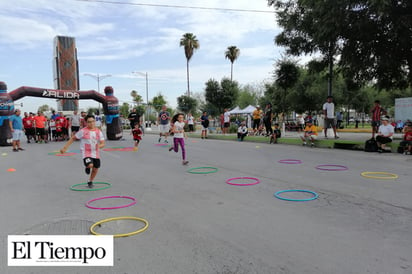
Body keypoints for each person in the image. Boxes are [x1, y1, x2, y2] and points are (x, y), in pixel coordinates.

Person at [60, 114, 105, 188]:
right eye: (89, 122)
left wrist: (99, 146)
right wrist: (65, 148)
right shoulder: (83, 131)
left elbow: (103, 143)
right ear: (86, 122)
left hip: (95, 152)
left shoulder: (98, 131)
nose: (91, 123)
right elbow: (73, 138)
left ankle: (90, 181)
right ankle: (88, 166)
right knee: (90, 165)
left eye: (93, 121)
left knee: (96, 168)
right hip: (86, 152)